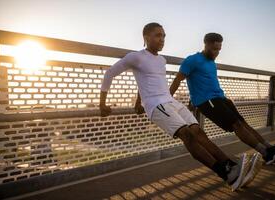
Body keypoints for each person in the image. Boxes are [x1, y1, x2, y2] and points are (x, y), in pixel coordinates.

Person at [99, 23, 262, 191]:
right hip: (157, 105)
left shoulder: (161, 60)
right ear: (146, 37)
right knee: (188, 135)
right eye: (157, 35)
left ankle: (232, 166)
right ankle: (226, 175)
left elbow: (147, 82)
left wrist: (138, 103)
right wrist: (102, 103)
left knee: (199, 133)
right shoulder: (135, 57)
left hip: (172, 102)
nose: (162, 39)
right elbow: (109, 73)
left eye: (163, 36)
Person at [169, 32, 275, 166]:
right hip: (207, 101)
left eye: (219, 50)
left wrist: (225, 98)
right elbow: (177, 79)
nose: (216, 52)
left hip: (220, 99)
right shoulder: (192, 60)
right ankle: (266, 153)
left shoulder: (211, 62)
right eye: (214, 49)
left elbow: (209, 81)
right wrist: (167, 99)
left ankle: (270, 148)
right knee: (236, 125)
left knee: (243, 124)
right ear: (206, 45)